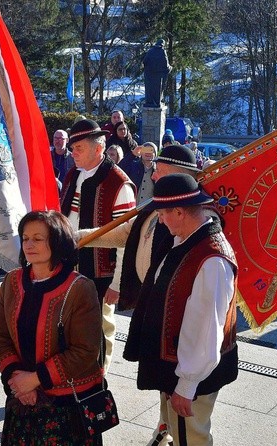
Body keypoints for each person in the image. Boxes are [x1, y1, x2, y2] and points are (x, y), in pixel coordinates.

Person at [75, 144, 212, 445]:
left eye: (160, 171)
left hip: (182, 333)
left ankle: (175, 433)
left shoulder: (196, 228)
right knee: (168, 396)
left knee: (191, 424)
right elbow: (125, 234)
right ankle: (164, 431)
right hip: (160, 315)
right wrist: (79, 238)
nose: (153, 173)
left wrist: (188, 383)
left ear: (179, 176)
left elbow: (206, 325)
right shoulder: (157, 205)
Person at [124, 173, 238, 445]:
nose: (160, 220)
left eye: (163, 213)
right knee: (177, 432)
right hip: (176, 365)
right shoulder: (185, 238)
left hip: (193, 374)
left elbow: (205, 329)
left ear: (179, 211)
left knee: (192, 438)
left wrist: (187, 385)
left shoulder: (210, 259)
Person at [0, 210, 104, 445]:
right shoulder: (12, 281)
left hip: (67, 408)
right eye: (25, 238)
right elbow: (0, 335)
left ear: (57, 241)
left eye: (38, 239)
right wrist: (17, 378)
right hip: (22, 399)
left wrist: (36, 379)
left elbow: (85, 351)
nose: (29, 244)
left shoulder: (79, 288)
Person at [60, 119, 136, 372]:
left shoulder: (118, 183)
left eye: (79, 147)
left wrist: (117, 283)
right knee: (69, 322)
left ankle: (98, 378)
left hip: (100, 271)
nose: (73, 153)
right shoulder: (73, 174)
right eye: (72, 148)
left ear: (98, 149)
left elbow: (127, 236)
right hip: (69, 263)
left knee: (101, 326)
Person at [143, 38, 171, 108]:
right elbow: (166, 64)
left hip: (149, 75)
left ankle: (150, 101)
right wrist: (170, 68)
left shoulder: (150, 51)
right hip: (159, 75)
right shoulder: (162, 51)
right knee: (158, 89)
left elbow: (144, 61)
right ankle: (157, 101)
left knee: (150, 89)